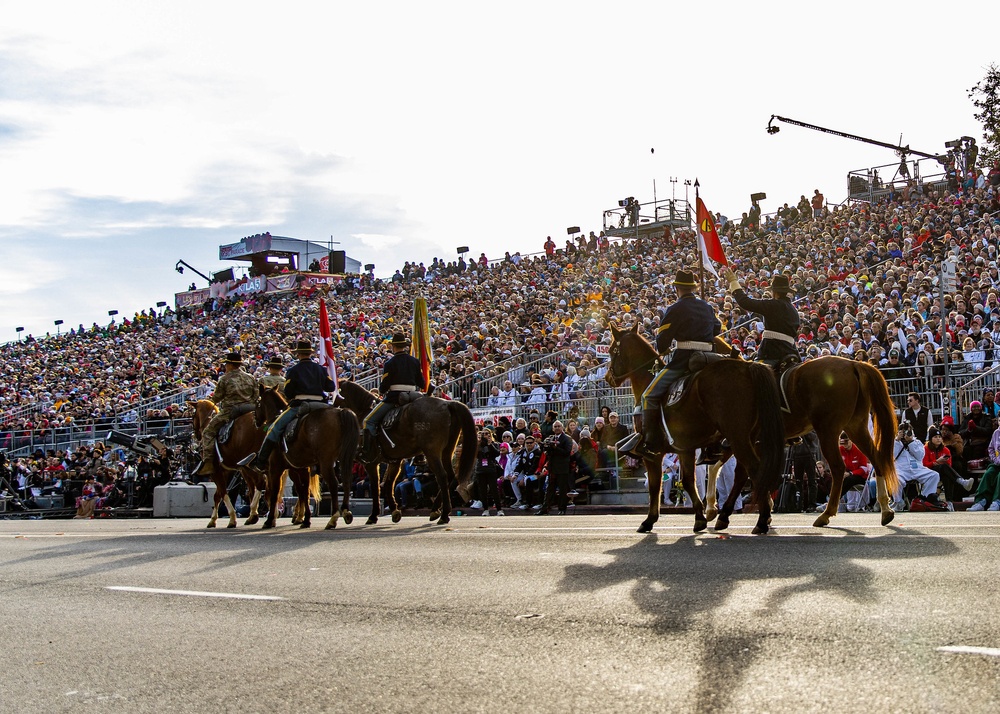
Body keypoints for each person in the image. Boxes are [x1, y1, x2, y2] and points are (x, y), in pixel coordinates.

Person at [620, 269, 721, 458]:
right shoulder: (707, 307)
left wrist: (668, 344)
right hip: (710, 357)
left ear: (677, 289)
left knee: (649, 395)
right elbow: (716, 328)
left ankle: (650, 442)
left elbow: (662, 343)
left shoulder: (675, 309)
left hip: (685, 359)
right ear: (692, 288)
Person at [242, 340, 336, 471]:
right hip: (321, 405)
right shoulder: (320, 369)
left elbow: (289, 392)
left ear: (298, 355)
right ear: (310, 354)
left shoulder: (293, 370)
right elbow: (331, 386)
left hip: (301, 405)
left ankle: (261, 461)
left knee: (274, 428)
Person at [359, 333, 426, 462]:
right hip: (414, 396)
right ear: (405, 347)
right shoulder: (415, 361)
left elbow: (384, 387)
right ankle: (420, 455)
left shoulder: (390, 363)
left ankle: (368, 452)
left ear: (394, 347)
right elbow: (422, 383)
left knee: (368, 421)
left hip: (395, 397)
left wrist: (382, 390)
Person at [194, 352, 258, 476]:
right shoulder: (250, 377)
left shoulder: (225, 378)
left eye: (226, 364)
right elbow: (256, 396)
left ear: (229, 365)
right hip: (250, 409)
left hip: (231, 410)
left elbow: (217, 397)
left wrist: (211, 400)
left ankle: (208, 462)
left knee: (208, 431)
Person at [723, 269, 800, 366]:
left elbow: (745, 302)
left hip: (772, 351)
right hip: (791, 350)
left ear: (774, 292)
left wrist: (734, 282)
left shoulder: (773, 305)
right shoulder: (793, 310)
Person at [892, 422, 946, 510]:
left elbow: (920, 456)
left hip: (917, 469)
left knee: (934, 475)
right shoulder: (894, 442)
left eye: (908, 432)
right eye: (903, 432)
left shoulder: (916, 442)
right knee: (895, 479)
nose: (906, 434)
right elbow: (892, 456)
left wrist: (911, 442)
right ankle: (898, 501)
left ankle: (925, 498)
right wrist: (898, 440)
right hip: (901, 470)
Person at [922, 427, 973, 503]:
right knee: (944, 467)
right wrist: (937, 461)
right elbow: (925, 465)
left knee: (947, 475)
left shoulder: (945, 450)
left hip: (942, 471)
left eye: (939, 437)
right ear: (930, 439)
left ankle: (949, 501)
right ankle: (962, 481)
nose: (938, 439)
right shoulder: (925, 449)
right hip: (929, 471)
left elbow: (949, 464)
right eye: (935, 437)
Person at [538, 420, 573, 515]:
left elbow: (566, 452)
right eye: (555, 427)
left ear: (562, 428)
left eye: (558, 426)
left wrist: (555, 447)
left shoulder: (567, 439)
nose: (557, 428)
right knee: (549, 489)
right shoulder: (550, 438)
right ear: (553, 429)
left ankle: (562, 509)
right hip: (552, 468)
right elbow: (547, 452)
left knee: (562, 490)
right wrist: (546, 446)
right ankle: (544, 509)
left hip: (562, 468)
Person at [968, 421, 1000, 511]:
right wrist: (995, 459)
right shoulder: (996, 433)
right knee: (988, 473)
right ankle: (981, 501)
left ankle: (997, 501)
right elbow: (991, 449)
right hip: (997, 463)